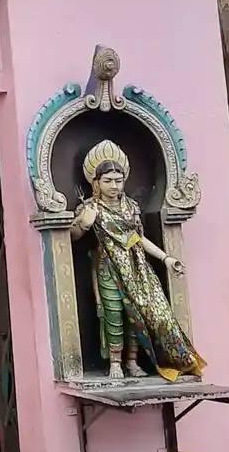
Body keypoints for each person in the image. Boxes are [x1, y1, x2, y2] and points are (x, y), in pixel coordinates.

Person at [70, 139, 204, 382]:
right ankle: (115, 364)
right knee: (115, 314)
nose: (114, 186)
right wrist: (83, 224)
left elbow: (138, 239)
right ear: (96, 183)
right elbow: (72, 236)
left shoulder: (131, 207)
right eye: (108, 181)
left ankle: (132, 361)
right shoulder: (90, 207)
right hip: (108, 267)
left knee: (138, 315)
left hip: (136, 268)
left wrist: (166, 258)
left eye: (118, 181)